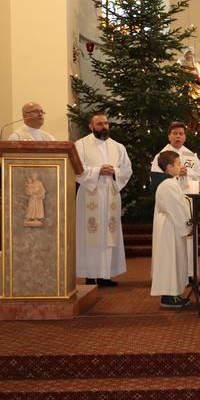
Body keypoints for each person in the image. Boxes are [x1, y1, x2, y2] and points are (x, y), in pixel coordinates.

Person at [75, 113, 133, 287]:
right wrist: (97, 170)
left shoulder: (118, 147)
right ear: (91, 126)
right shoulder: (81, 145)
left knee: (109, 235)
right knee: (89, 234)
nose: (104, 127)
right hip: (89, 194)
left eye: (106, 123)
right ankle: (89, 275)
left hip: (110, 195)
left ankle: (105, 274)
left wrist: (114, 171)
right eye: (99, 124)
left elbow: (127, 169)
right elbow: (76, 168)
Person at [151, 150, 193, 309]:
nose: (180, 166)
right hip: (171, 226)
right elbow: (177, 207)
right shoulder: (168, 184)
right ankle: (169, 297)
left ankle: (173, 294)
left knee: (174, 260)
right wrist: (187, 223)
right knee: (170, 260)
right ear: (169, 167)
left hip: (171, 225)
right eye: (178, 164)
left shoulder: (171, 182)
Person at [150, 122, 200, 194]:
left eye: (181, 134)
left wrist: (187, 173)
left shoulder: (192, 156)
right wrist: (175, 174)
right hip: (169, 195)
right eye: (175, 133)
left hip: (188, 196)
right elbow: (156, 179)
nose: (178, 136)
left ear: (185, 138)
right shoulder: (161, 156)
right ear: (169, 136)